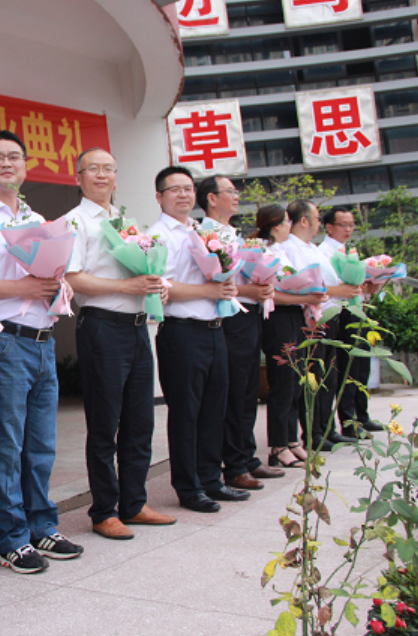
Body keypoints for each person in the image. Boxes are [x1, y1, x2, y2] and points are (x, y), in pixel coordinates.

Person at [0, 130, 84, 574]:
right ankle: (11, 537)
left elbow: (53, 271)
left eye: (15, 157)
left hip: (43, 341)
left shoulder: (39, 220)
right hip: (5, 341)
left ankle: (42, 526)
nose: (7, 164)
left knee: (41, 444)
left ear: (27, 166)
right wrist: (22, 288)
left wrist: (57, 286)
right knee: (5, 444)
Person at [64, 148, 177, 541]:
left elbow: (142, 267)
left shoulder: (126, 221)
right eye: (92, 168)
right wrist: (125, 287)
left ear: (116, 176)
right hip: (101, 327)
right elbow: (73, 278)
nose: (101, 175)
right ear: (78, 177)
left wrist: (153, 283)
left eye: (108, 168)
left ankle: (134, 502)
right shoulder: (74, 221)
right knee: (105, 424)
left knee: (139, 421)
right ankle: (103, 511)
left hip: (136, 327)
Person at [147, 166, 250, 513]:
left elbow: (218, 275)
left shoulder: (204, 231)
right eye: (174, 189)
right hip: (182, 333)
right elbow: (163, 286)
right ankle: (188, 488)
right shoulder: (156, 236)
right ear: (159, 197)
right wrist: (209, 289)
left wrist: (226, 286)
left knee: (213, 410)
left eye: (188, 189)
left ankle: (211, 480)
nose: (183, 195)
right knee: (186, 413)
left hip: (214, 329)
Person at [195, 176, 284, 491]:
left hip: (248, 315)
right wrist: (250, 289)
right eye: (230, 192)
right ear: (211, 199)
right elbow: (217, 284)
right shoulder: (203, 234)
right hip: (227, 319)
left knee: (247, 391)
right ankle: (233, 465)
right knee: (233, 394)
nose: (236, 196)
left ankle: (246, 458)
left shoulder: (233, 234)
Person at [282, 200, 360, 450]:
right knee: (314, 378)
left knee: (329, 378)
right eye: (316, 219)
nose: (318, 224)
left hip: (329, 316)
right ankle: (313, 434)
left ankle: (326, 428)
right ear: (303, 220)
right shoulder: (291, 248)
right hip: (312, 321)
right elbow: (302, 284)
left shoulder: (310, 247)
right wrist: (341, 290)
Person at [251, 205, 325, 468]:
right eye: (285, 222)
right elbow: (269, 292)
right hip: (278, 318)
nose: (288, 226)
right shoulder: (263, 253)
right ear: (275, 226)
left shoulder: (282, 251)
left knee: (296, 379)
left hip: (295, 315)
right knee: (282, 381)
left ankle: (292, 440)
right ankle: (278, 445)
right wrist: (306, 295)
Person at [318, 207, 383, 438]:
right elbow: (327, 286)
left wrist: (369, 284)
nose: (348, 229)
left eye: (351, 224)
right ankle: (348, 420)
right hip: (338, 312)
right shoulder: (323, 252)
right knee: (346, 366)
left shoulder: (347, 250)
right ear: (329, 226)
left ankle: (361, 415)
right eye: (343, 224)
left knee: (360, 364)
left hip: (356, 309)